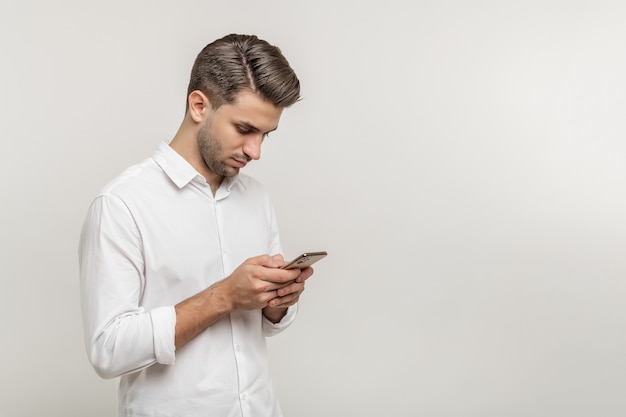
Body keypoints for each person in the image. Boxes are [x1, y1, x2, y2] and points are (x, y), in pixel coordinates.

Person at [78, 33, 314, 417]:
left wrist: (277, 303)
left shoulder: (256, 198)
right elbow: (108, 349)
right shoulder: (122, 204)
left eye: (265, 135)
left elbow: (266, 327)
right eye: (245, 129)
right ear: (199, 105)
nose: (256, 151)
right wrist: (223, 297)